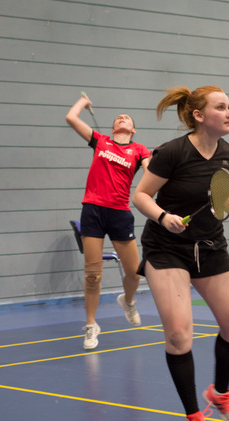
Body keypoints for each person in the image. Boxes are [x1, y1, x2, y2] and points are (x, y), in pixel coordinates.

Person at [132, 86, 229, 421]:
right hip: (167, 248)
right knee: (179, 335)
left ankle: (220, 393)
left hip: (209, 246)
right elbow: (141, 195)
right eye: (221, 107)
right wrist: (163, 217)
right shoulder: (172, 152)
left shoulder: (227, 154)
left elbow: (224, 196)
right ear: (199, 115)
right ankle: (194, 417)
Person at [65, 93, 152, 349]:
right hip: (92, 210)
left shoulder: (139, 150)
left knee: (134, 273)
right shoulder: (100, 141)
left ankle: (128, 301)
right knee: (92, 275)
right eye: (118, 117)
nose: (122, 118)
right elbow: (71, 117)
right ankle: (91, 325)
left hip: (119, 213)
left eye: (127, 118)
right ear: (113, 128)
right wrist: (83, 102)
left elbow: (152, 173)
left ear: (133, 130)